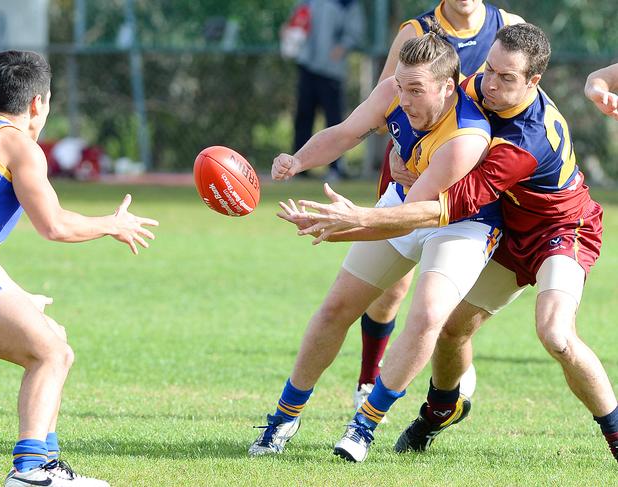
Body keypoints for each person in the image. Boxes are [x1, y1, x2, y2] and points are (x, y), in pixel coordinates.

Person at [283, 23, 618, 463]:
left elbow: (446, 206)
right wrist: (410, 155)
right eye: (490, 70)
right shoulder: (479, 86)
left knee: (555, 333)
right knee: (449, 327)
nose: (490, 84)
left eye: (506, 78)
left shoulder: (525, 142)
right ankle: (442, 408)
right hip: (507, 228)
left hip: (559, 231)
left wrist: (358, 219)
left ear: (534, 82)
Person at [249, 29, 503, 462]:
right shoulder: (394, 90)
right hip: (406, 202)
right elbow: (346, 133)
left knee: (426, 317)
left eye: (416, 90)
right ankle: (283, 418)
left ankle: (363, 426)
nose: (403, 99)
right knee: (336, 307)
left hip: (461, 224)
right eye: (401, 86)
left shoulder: (467, 136)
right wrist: (299, 160)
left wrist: (338, 224)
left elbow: (406, 220)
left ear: (447, 87)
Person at [0, 50, 158, 486]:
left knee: (57, 341)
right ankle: (30, 470)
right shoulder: (21, 146)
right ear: (39, 102)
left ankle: (47, 465)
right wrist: (112, 224)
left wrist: (12, 295)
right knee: (49, 354)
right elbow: (53, 225)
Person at [353, 0, 523, 412]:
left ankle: (450, 373)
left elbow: (525, 105)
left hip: (476, 174)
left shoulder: (510, 28)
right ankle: (366, 380)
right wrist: (397, 149)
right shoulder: (417, 29)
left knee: (443, 298)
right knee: (387, 289)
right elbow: (387, 103)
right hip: (414, 162)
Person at [287, 0, 365, 181]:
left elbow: (355, 32)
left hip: (332, 70)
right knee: (303, 116)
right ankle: (298, 167)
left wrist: (342, 46)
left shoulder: (348, 3)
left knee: (334, 119)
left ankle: (336, 168)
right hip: (307, 66)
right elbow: (297, 21)